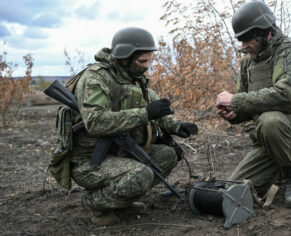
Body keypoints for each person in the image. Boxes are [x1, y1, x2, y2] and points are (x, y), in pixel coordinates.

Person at [68, 27, 198, 225]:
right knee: (141, 174)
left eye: (149, 61)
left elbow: (156, 109)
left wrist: (177, 126)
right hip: (90, 161)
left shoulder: (133, 77)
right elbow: (95, 122)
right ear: (124, 57)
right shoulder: (96, 77)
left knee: (167, 155)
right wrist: (145, 114)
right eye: (142, 62)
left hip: (118, 153)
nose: (147, 67)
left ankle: (121, 201)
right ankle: (95, 203)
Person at [216, 1, 291, 208]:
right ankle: (284, 165)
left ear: (266, 33)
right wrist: (235, 113)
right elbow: (247, 102)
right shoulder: (248, 63)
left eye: (247, 40)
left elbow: (288, 97)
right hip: (270, 140)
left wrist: (237, 100)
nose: (243, 46)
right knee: (232, 192)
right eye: (240, 40)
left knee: (270, 121)